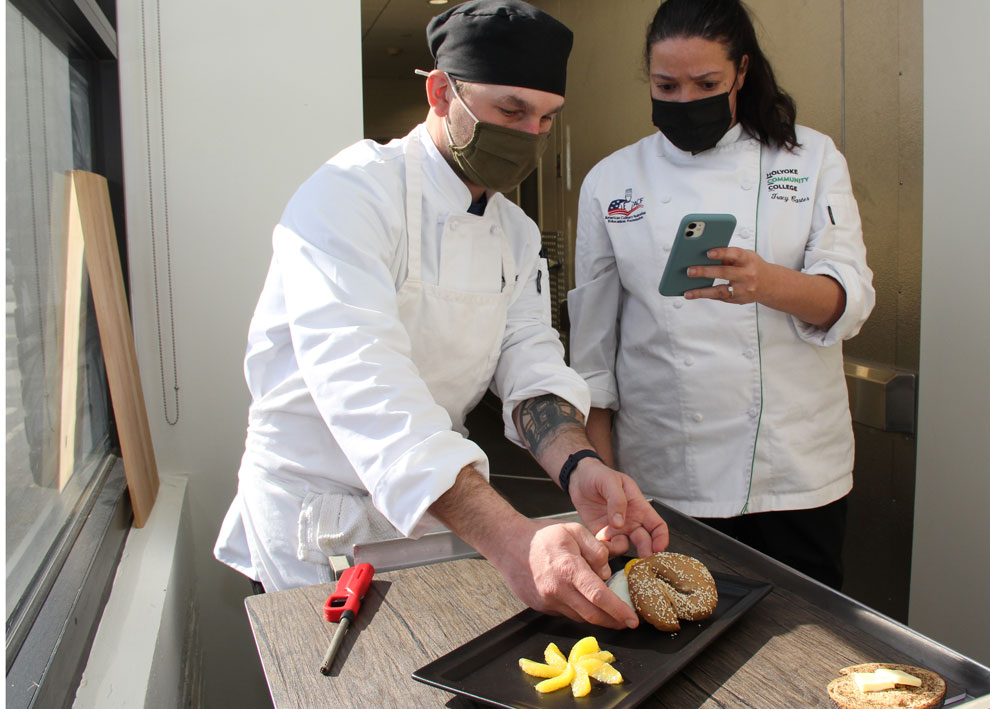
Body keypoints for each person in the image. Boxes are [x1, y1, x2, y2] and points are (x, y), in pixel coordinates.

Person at [214, 0, 667, 629]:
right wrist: (512, 539)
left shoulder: (515, 231)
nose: (530, 135)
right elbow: (364, 381)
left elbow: (530, 360)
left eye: (545, 118)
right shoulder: (350, 196)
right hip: (318, 521)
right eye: (511, 110)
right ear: (438, 92)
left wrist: (579, 464)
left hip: (434, 506)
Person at [567, 0, 874, 590]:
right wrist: (608, 491)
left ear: (741, 72)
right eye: (666, 85)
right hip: (664, 478)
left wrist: (770, 283)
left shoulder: (809, 160)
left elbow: (851, 300)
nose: (685, 100)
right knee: (672, 644)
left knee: (804, 645)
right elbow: (594, 362)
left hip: (795, 472)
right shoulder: (612, 180)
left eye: (706, 83)